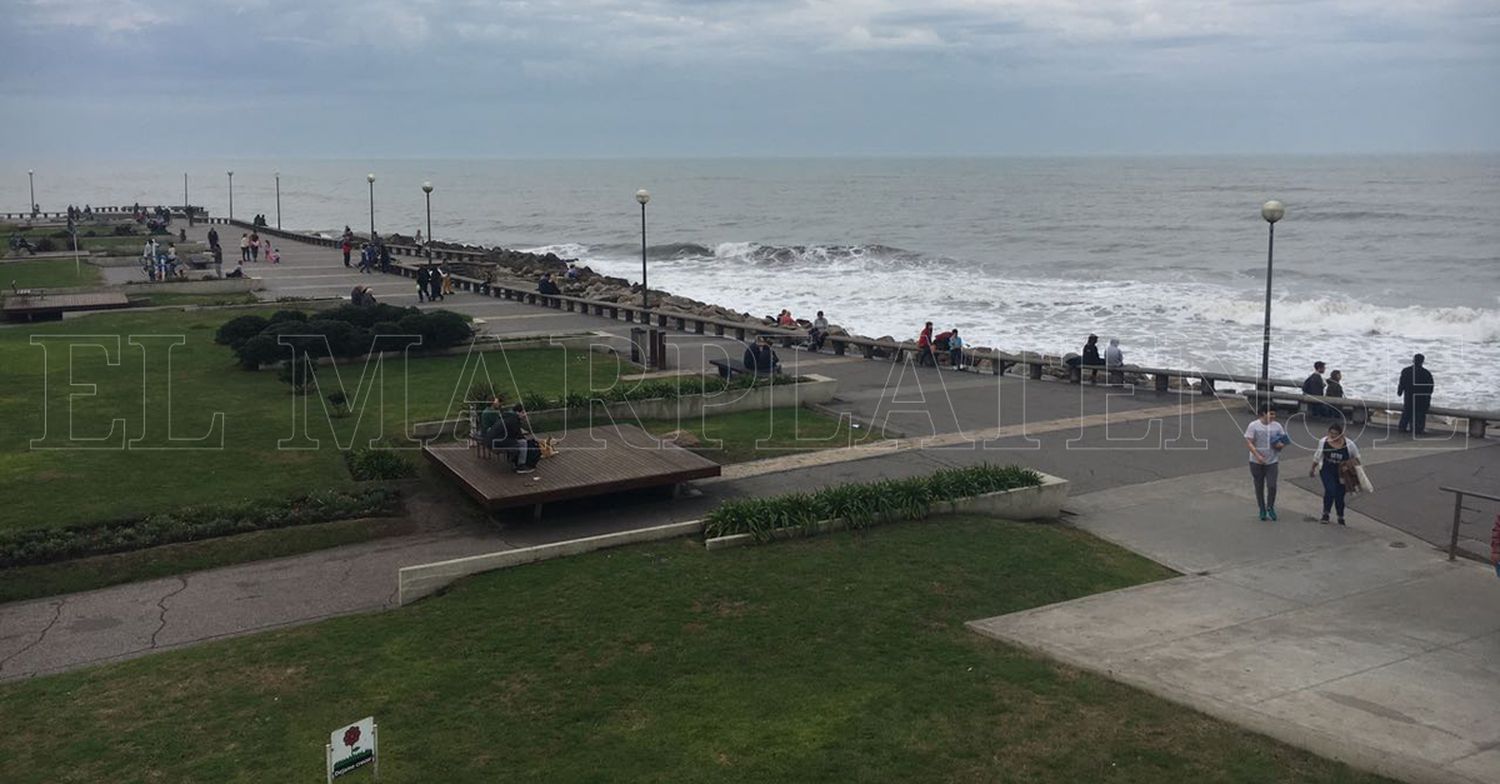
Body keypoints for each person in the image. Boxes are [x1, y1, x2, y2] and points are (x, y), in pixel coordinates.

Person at [1309, 423, 1361, 526]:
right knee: (1330, 490)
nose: (1333, 436)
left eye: (1335, 434)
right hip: (1327, 469)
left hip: (1342, 473)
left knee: (1340, 495)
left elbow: (1357, 457)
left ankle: (1340, 516)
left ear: (1341, 434)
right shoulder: (1324, 441)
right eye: (1331, 433)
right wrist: (1312, 468)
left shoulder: (1349, 444)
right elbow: (1318, 455)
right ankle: (1326, 513)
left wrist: (1349, 465)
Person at [1245, 404, 1289, 521]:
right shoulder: (1253, 426)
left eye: (1274, 414)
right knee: (1259, 486)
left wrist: (1281, 445)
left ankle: (1270, 506)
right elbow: (1249, 442)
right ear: (1264, 413)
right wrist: (1257, 455)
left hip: (1272, 460)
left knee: (1272, 485)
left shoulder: (1277, 426)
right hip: (1256, 461)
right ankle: (1262, 508)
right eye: (1271, 413)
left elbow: (1283, 440)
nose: (1273, 416)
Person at [1397, 353, 1434, 435]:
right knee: (1420, 414)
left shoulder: (1406, 371)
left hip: (1409, 397)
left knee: (1407, 413)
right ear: (1422, 362)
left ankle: (1402, 428)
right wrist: (1428, 399)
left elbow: (1401, 383)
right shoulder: (1426, 373)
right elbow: (1430, 388)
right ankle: (1418, 430)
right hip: (1421, 398)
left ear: (1413, 360)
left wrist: (1399, 392)